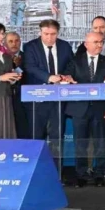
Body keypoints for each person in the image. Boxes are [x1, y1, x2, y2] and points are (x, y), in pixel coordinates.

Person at [63, 32, 105, 187]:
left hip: (101, 109)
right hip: (79, 109)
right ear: (86, 44)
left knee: (100, 143)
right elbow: (67, 77)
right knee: (80, 144)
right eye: (96, 42)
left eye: (101, 42)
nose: (99, 45)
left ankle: (99, 174)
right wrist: (67, 79)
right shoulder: (75, 61)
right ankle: (81, 174)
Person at [22, 19, 74, 147]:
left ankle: (56, 160)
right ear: (40, 32)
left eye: (53, 34)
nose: (49, 37)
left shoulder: (65, 46)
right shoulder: (30, 46)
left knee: (57, 137)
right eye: (46, 34)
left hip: (59, 98)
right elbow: (30, 67)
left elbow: (71, 64)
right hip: (37, 99)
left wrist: (65, 76)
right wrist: (49, 77)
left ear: (58, 33)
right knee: (36, 136)